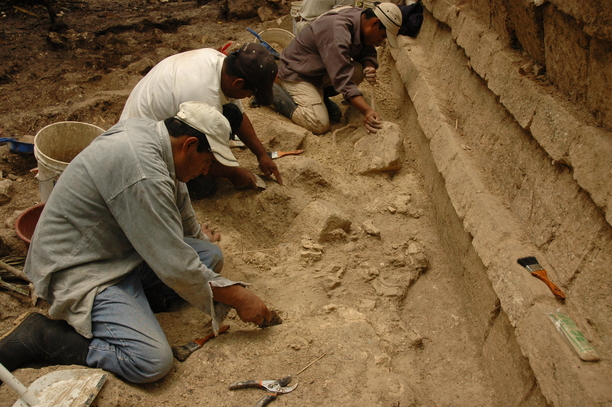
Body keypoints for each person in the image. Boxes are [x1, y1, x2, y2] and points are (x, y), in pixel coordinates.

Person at [0, 101, 272, 384]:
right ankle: (44, 336)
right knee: (151, 361)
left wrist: (201, 243)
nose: (206, 172)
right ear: (189, 145)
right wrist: (239, 296)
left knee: (208, 255)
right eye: (207, 162)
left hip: (120, 253)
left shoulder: (156, 138)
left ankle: (136, 303)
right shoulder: (142, 169)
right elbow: (174, 262)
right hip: (82, 268)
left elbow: (181, 218)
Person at [120, 43, 283, 198]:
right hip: (142, 145)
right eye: (250, 93)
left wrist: (262, 154)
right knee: (204, 185)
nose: (248, 97)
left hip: (167, 121)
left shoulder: (221, 64)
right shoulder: (202, 95)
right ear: (238, 83)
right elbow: (193, 146)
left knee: (231, 113)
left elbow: (238, 114)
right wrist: (233, 173)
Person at [274, 2, 423, 135]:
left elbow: (367, 49)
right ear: (375, 22)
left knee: (358, 70)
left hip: (318, 71)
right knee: (319, 123)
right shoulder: (337, 32)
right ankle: (274, 91)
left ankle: (320, 97)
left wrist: (369, 66)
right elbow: (342, 78)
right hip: (297, 73)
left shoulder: (360, 19)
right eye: (382, 36)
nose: (380, 42)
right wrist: (367, 111)